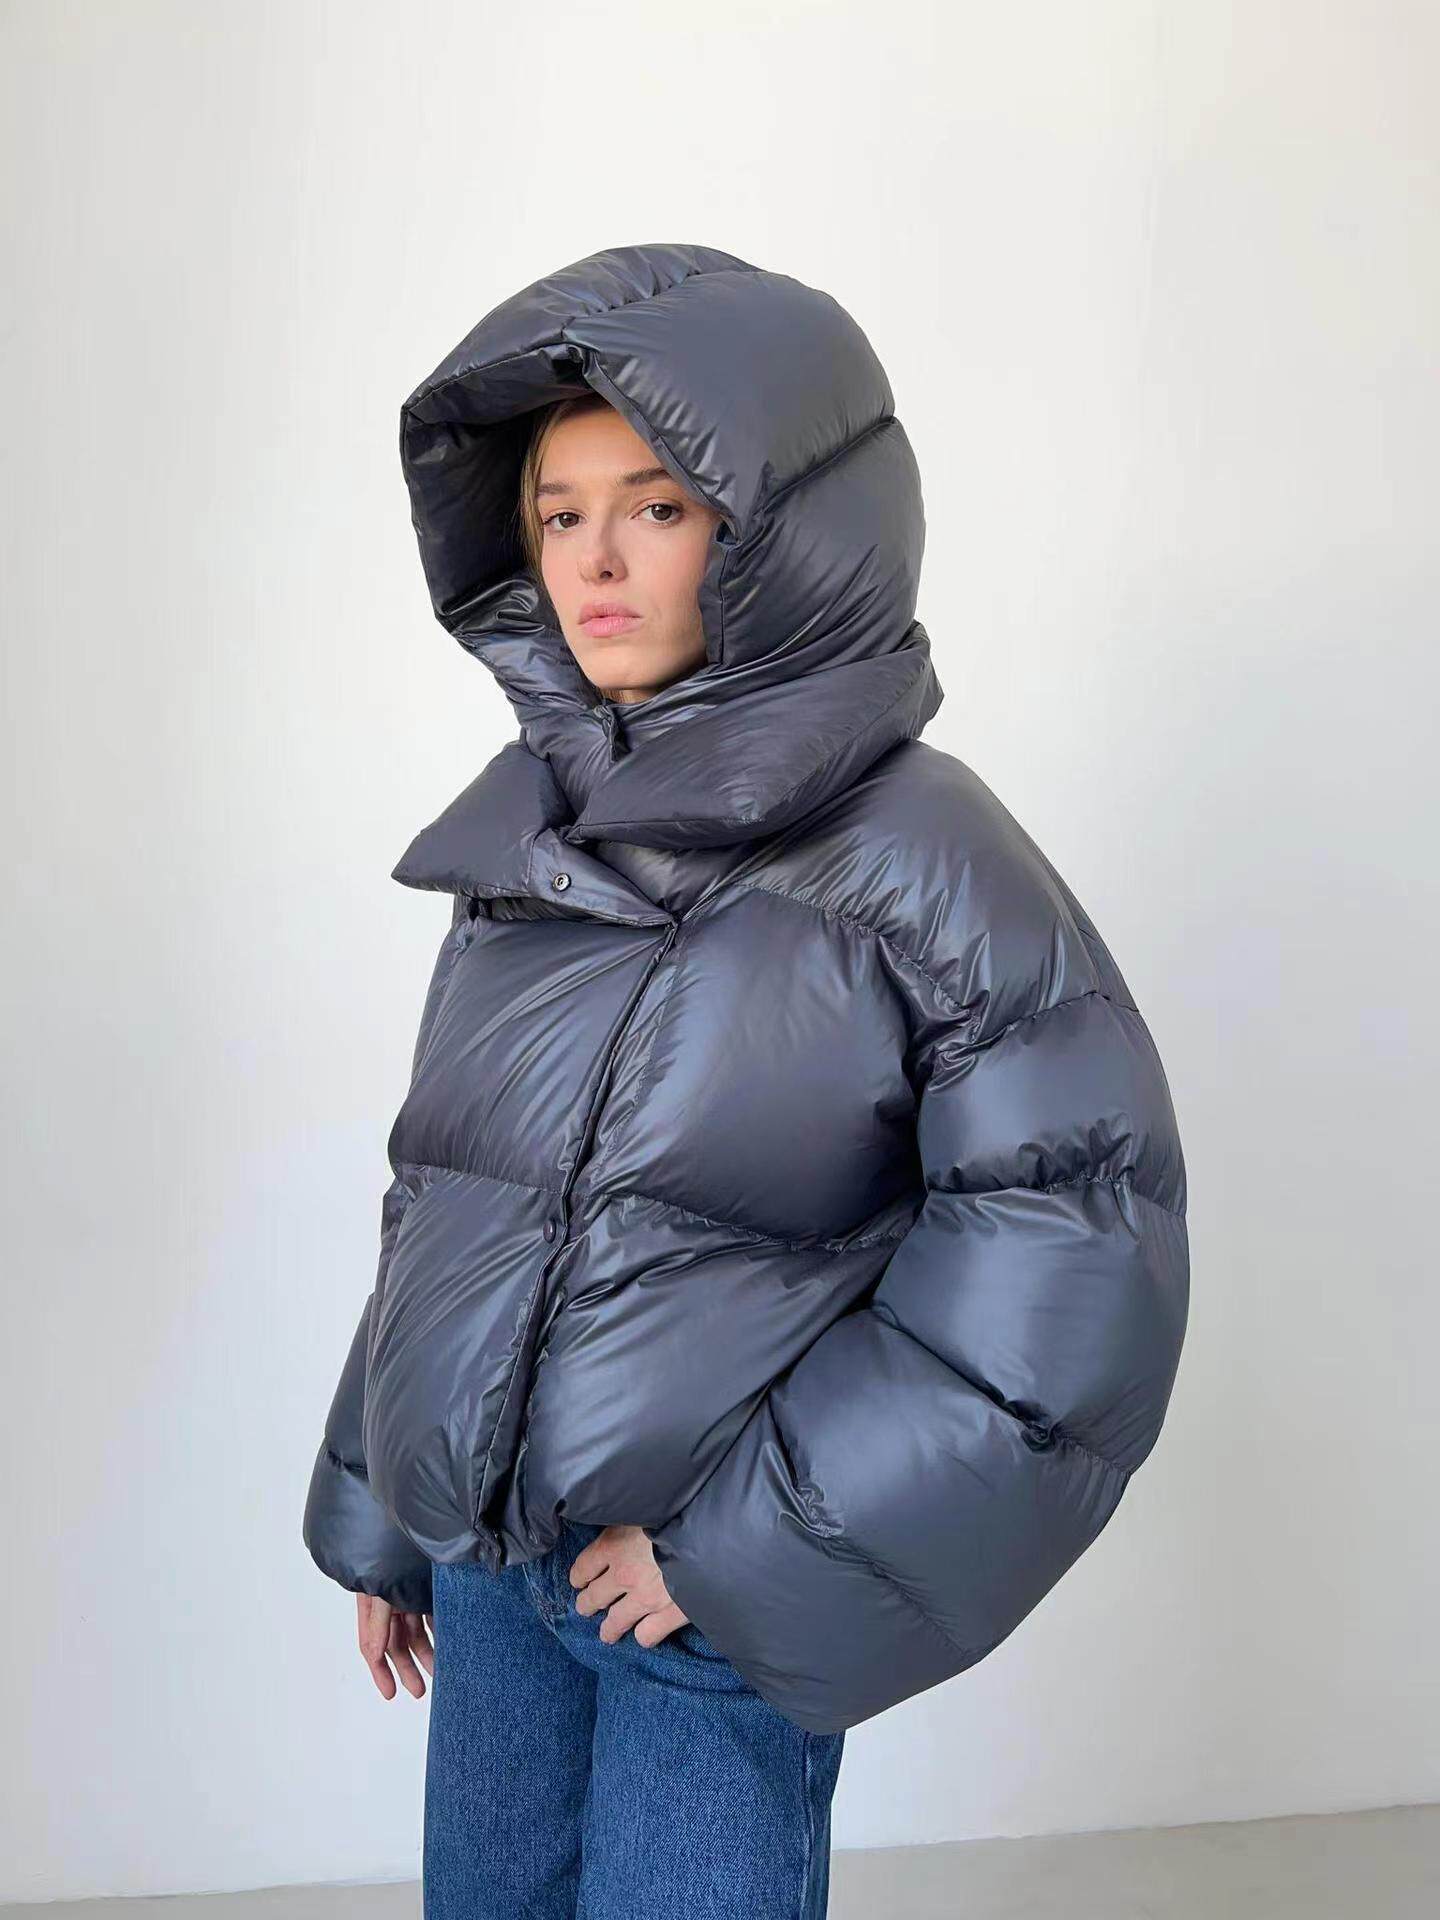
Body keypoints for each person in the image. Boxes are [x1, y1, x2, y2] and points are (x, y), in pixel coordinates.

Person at [303, 243, 1190, 1919]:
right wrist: (386, 1502)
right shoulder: (529, 836)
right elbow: (457, 1198)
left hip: (694, 1606)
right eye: (558, 514)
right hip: (492, 1580)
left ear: (776, 533)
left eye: (656, 507)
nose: (594, 560)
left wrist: (750, 1546)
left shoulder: (924, 856)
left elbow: (1073, 1261)